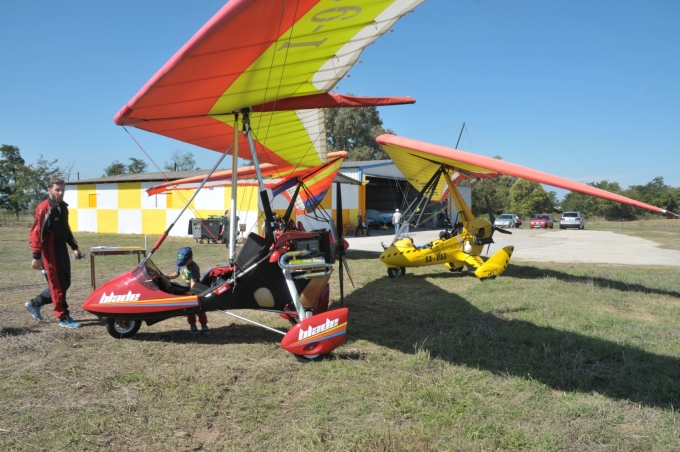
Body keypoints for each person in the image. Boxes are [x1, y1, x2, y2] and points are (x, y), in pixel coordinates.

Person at [27, 178, 83, 328]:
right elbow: (36, 233)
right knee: (57, 286)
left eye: (62, 190)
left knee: (64, 283)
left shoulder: (63, 207)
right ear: (49, 190)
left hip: (61, 250)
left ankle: (35, 303)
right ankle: (63, 317)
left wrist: (74, 247)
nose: (60, 193)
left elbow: (65, 229)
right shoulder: (44, 208)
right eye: (57, 190)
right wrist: (36, 256)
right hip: (49, 252)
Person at [167, 247, 209, 334]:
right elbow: (176, 274)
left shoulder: (194, 267)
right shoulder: (180, 263)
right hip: (185, 290)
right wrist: (168, 277)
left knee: (200, 309)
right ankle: (193, 326)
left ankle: (204, 325)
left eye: (184, 262)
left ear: (191, 259)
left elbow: (193, 282)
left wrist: (192, 294)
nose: (182, 264)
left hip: (194, 290)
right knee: (190, 310)